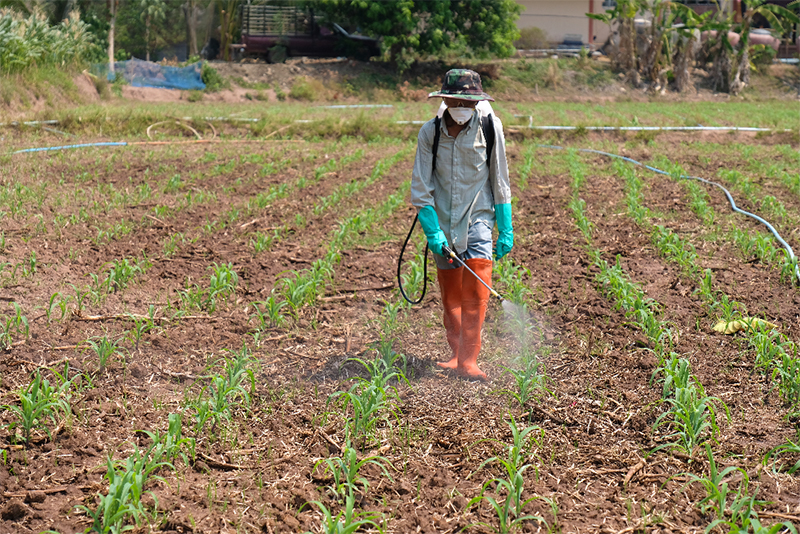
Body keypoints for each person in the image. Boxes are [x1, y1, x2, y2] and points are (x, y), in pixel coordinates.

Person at [410, 69, 513, 381]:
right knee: (451, 293)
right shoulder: (431, 132)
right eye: (456, 100)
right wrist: (432, 230)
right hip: (442, 221)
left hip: (478, 217)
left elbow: (500, 178)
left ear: (478, 103)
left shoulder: (489, 128)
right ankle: (455, 354)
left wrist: (505, 227)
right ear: (445, 100)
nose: (462, 107)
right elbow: (420, 187)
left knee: (477, 287)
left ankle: (470, 359)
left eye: (469, 102)